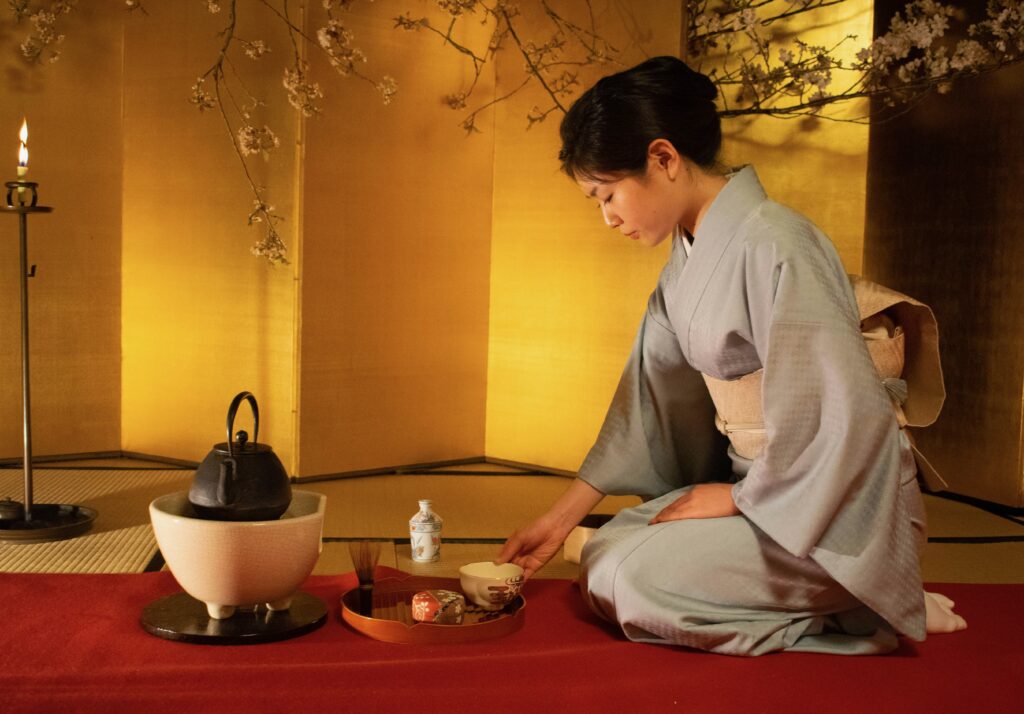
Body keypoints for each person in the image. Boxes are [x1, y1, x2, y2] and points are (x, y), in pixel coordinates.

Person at [495, 56, 966, 656]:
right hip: (762, 495)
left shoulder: (778, 242)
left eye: (608, 193)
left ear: (663, 159)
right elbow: (648, 406)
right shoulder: (683, 264)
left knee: (625, 577)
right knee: (607, 547)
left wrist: (739, 499)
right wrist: (559, 519)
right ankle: (846, 602)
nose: (607, 217)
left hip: (836, 509)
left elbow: (841, 414)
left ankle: (861, 596)